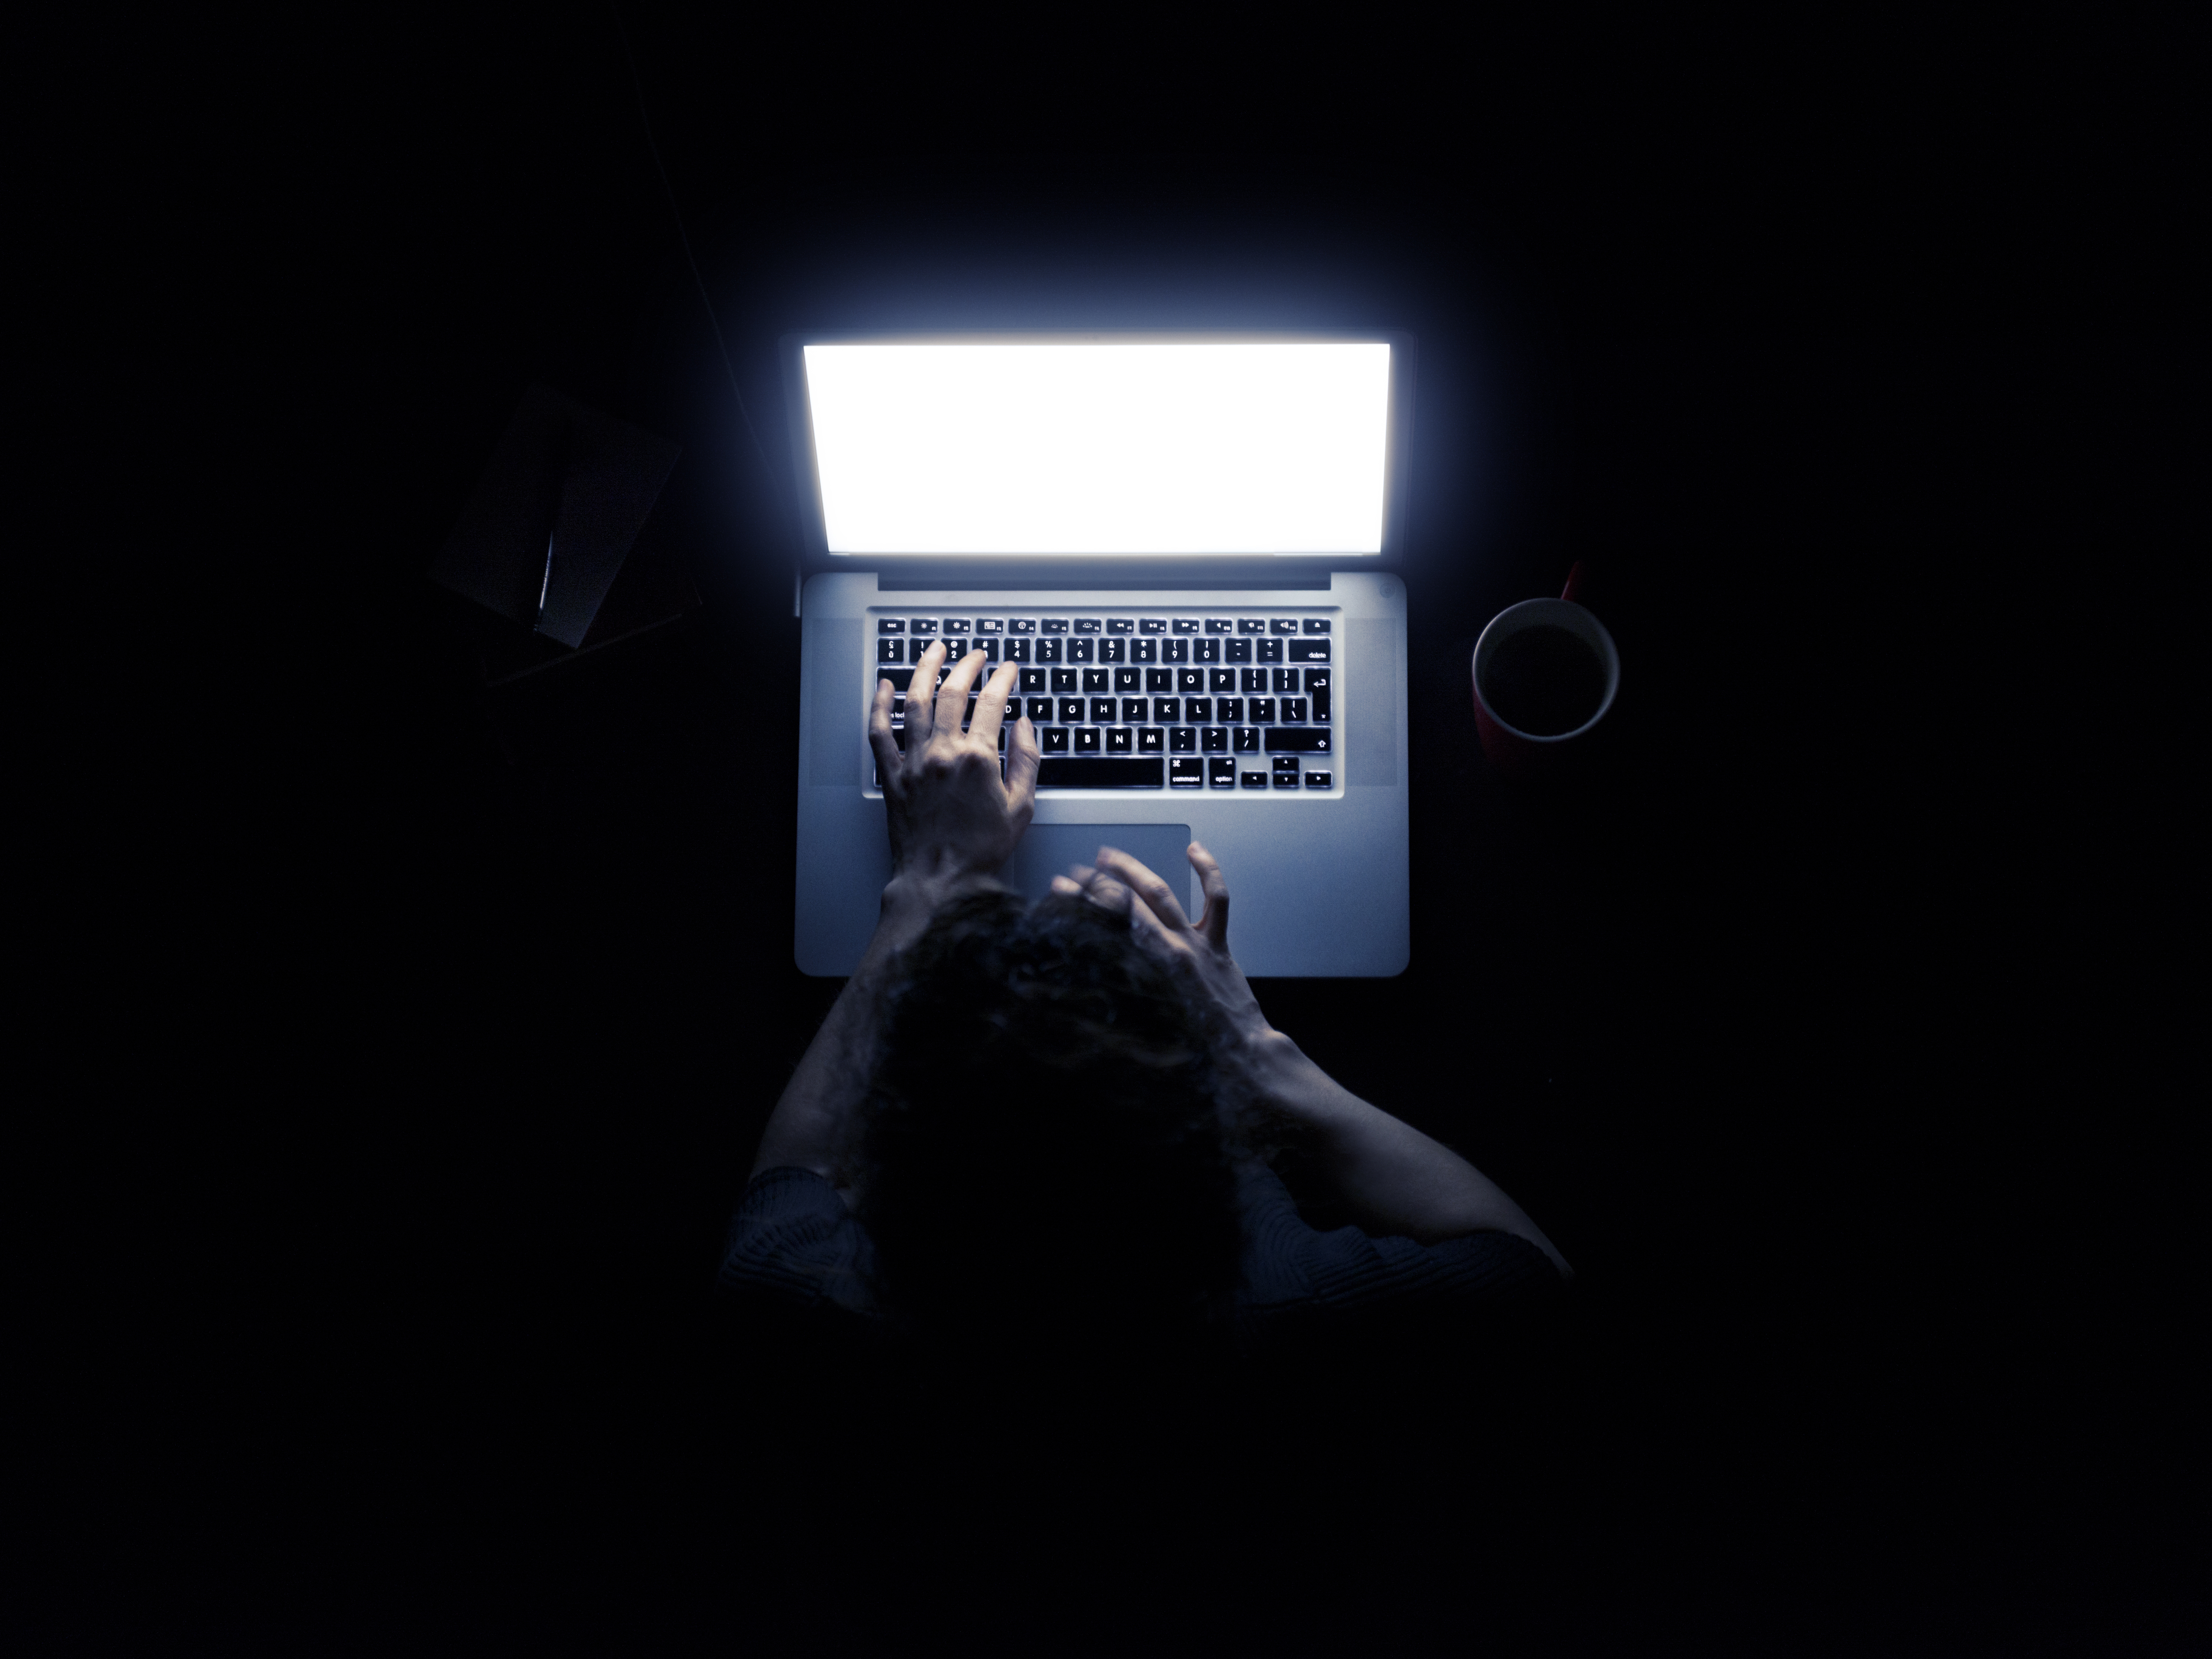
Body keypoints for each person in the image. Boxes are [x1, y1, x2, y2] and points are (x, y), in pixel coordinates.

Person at [718, 641, 1573, 1424]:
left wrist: (932, 880)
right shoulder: (1297, 1300)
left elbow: (794, 1169)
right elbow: (1533, 1270)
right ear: (1222, 1155)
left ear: (892, 1178)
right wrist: (1251, 1046)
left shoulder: (805, 1294)